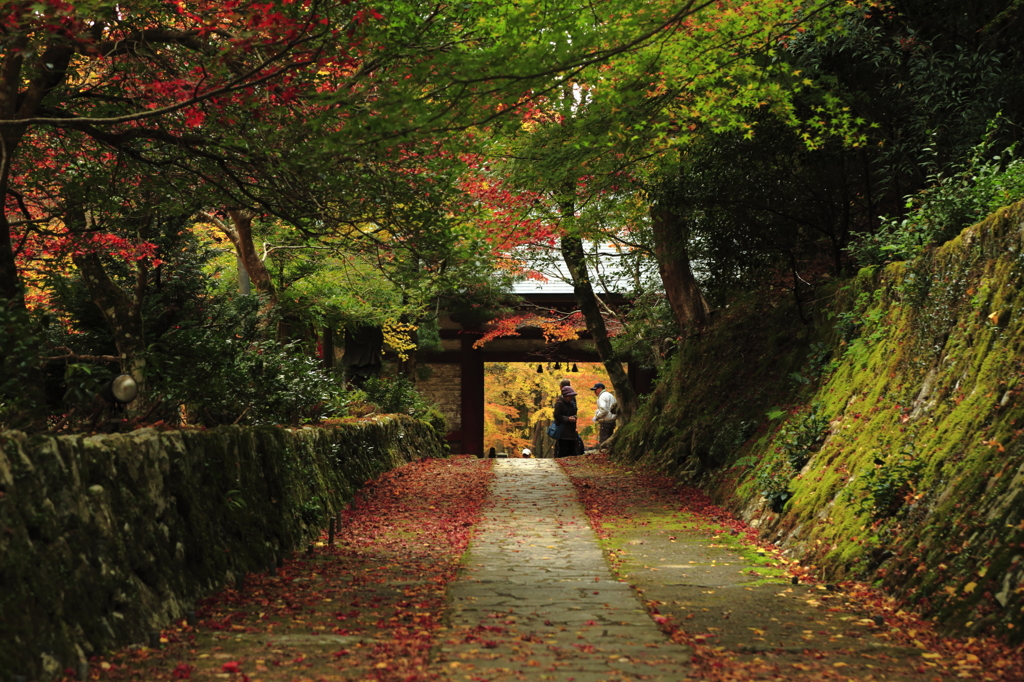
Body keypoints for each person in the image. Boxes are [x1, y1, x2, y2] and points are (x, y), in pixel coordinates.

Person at [553, 385, 579, 458]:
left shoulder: (571, 404)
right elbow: (556, 415)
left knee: (571, 450)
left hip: (571, 431)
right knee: (563, 450)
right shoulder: (559, 403)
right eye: (570, 396)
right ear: (565, 396)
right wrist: (567, 419)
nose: (571, 397)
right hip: (563, 432)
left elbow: (574, 413)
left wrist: (574, 417)